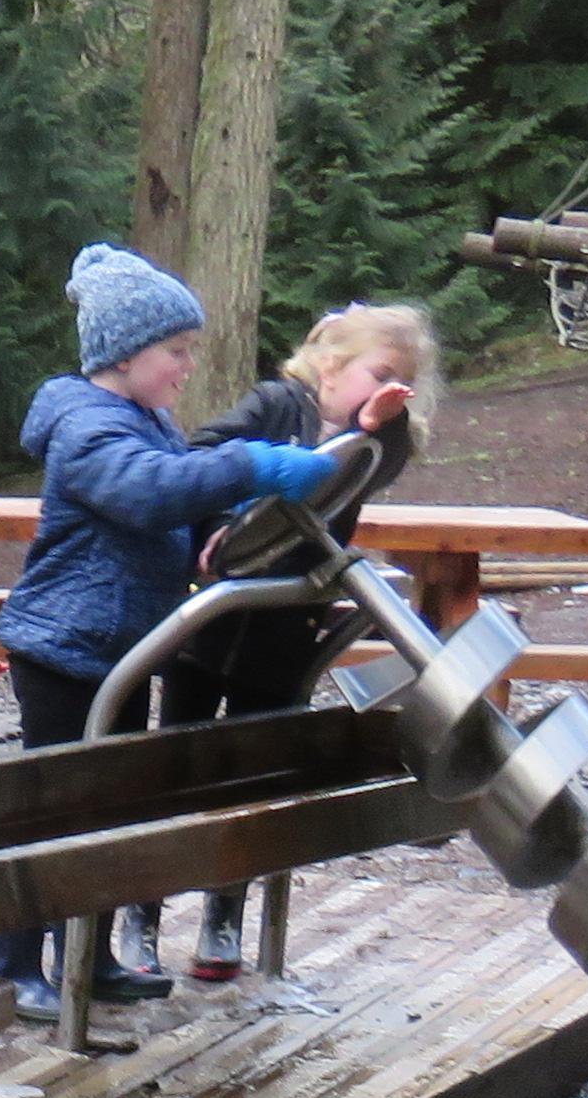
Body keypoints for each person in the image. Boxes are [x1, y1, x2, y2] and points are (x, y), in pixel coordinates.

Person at [0, 245, 337, 1022]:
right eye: (176, 350)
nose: (188, 366)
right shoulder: (86, 427)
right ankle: (13, 966)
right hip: (63, 649)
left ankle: (89, 957)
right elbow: (147, 492)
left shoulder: (146, 418)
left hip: (119, 651)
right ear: (124, 354)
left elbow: (178, 498)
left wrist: (225, 527)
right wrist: (251, 466)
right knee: (52, 811)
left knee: (110, 808)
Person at [156, 305, 435, 979]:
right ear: (332, 365)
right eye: (380, 374)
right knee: (172, 765)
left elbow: (377, 463)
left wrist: (373, 425)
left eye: (403, 383)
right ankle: (142, 909)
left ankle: (224, 915)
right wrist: (220, 526)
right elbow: (202, 458)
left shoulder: (379, 437)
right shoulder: (276, 405)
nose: (391, 392)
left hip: (284, 631)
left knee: (256, 774)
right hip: (209, 622)